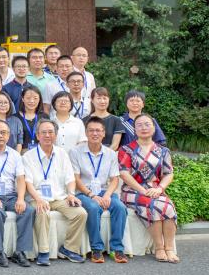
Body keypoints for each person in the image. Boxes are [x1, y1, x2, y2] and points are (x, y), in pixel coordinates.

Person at [21, 120, 88, 265]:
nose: (47, 135)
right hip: (38, 197)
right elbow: (28, 183)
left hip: (59, 197)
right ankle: (43, 251)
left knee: (80, 213)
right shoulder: (28, 156)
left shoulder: (62, 153)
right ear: (37, 136)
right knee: (42, 211)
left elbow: (70, 178)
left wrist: (71, 194)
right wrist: (38, 199)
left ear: (56, 135)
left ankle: (69, 248)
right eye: (44, 132)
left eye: (51, 132)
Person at [118, 114, 179, 263]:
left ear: (154, 128)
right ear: (134, 129)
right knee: (152, 204)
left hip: (155, 189)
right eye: (139, 125)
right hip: (132, 190)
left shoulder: (163, 151)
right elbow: (124, 174)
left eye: (147, 124)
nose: (143, 128)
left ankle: (169, 249)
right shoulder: (126, 149)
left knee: (168, 206)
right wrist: (142, 190)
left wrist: (160, 188)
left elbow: (169, 173)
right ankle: (159, 247)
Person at [71, 118, 128, 263]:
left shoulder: (110, 154)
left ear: (104, 133)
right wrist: (91, 195)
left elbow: (115, 179)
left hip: (104, 191)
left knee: (120, 207)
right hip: (83, 192)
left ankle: (117, 249)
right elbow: (76, 179)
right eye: (91, 130)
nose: (94, 133)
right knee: (93, 207)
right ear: (86, 133)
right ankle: (96, 249)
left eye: (98, 130)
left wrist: (107, 195)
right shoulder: (75, 152)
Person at [0, 119, 34, 268]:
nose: (0, 136)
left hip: (10, 195)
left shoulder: (15, 155)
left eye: (4, 133)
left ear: (9, 136)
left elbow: (20, 179)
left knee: (28, 210)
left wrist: (21, 199)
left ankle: (20, 251)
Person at [17, 86, 47, 151]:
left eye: (35, 98)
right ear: (22, 99)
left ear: (39, 99)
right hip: (21, 153)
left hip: (40, 152)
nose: (32, 101)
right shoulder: (16, 117)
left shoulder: (44, 117)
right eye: (28, 98)